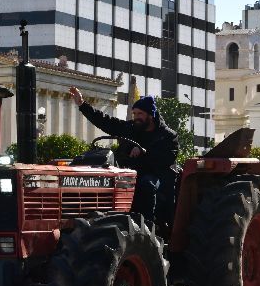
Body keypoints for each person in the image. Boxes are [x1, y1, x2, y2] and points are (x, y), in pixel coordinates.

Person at [69, 87, 179, 226]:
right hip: (127, 172)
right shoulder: (131, 128)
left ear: (150, 115)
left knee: (147, 184)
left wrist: (144, 151)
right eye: (134, 113)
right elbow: (106, 121)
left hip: (154, 174)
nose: (136, 117)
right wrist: (82, 105)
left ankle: (147, 225)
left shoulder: (168, 136)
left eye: (140, 113)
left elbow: (167, 158)